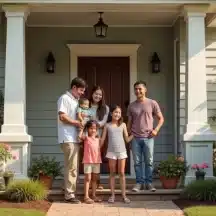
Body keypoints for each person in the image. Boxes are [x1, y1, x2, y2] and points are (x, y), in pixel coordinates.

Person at [127, 80, 164, 192]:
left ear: (145, 90)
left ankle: (149, 183)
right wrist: (128, 137)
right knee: (137, 163)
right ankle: (139, 183)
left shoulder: (152, 103)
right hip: (135, 138)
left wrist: (156, 129)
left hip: (149, 137)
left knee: (149, 162)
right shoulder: (131, 106)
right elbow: (129, 123)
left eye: (140, 89)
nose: (138, 91)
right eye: (136, 89)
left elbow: (161, 118)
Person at [57, 77, 86, 204]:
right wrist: (77, 123)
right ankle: (69, 195)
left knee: (72, 165)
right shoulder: (64, 98)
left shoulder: (76, 101)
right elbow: (62, 116)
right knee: (72, 167)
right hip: (67, 137)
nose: (82, 93)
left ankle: (66, 188)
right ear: (74, 87)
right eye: (80, 90)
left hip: (74, 137)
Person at [101, 105, 133, 203]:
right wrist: (97, 147)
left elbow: (127, 139)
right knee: (112, 173)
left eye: (119, 112)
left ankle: (124, 196)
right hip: (111, 152)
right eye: (115, 112)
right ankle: (112, 195)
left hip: (122, 152)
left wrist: (135, 134)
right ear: (111, 114)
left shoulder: (123, 125)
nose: (117, 114)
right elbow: (102, 139)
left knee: (122, 173)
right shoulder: (107, 125)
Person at [89, 86, 109, 189]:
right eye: (96, 93)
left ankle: (97, 182)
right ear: (92, 94)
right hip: (88, 137)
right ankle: (89, 183)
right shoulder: (86, 105)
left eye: (100, 94)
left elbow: (103, 122)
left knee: (97, 160)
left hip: (99, 137)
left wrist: (92, 124)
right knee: (88, 160)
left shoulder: (105, 108)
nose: (98, 96)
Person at [78, 120, 102, 204]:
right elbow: (79, 136)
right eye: (91, 128)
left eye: (95, 128)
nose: (93, 130)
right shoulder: (86, 137)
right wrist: (82, 128)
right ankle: (86, 196)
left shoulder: (98, 139)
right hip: (88, 161)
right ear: (88, 129)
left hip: (96, 161)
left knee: (94, 178)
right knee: (88, 178)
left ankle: (94, 195)